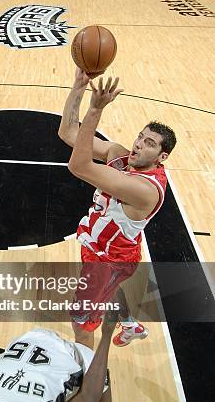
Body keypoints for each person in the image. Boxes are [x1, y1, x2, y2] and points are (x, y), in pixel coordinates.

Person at [58, 68, 176, 346]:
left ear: (162, 156)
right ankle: (129, 324)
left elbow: (78, 165)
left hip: (108, 259)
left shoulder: (144, 190)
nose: (138, 145)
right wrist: (78, 86)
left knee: (81, 323)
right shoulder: (120, 155)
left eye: (149, 144)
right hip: (109, 248)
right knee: (106, 292)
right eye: (140, 136)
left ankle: (86, 377)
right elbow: (68, 133)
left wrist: (95, 111)